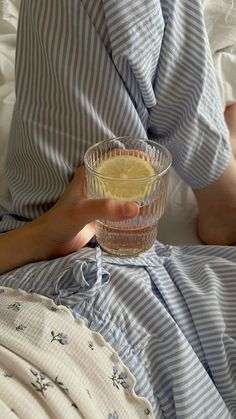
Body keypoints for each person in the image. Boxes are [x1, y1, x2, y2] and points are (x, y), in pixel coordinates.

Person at [1, 1, 236, 418]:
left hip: (33, 257)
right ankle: (222, 184)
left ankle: (220, 180)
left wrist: (39, 237)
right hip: (155, 356)